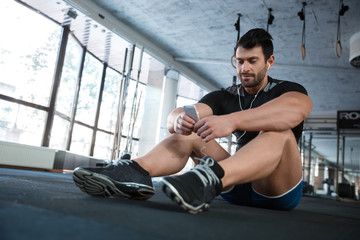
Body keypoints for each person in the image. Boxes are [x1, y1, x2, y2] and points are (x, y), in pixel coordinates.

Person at [73, 28, 312, 214]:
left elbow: (295, 112)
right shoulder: (224, 95)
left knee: (279, 132)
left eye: (252, 61)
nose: (244, 68)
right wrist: (178, 121)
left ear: (269, 62)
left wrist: (232, 121)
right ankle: (136, 172)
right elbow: (181, 112)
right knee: (191, 131)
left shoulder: (287, 90)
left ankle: (209, 178)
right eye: (239, 61)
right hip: (232, 185)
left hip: (274, 188)